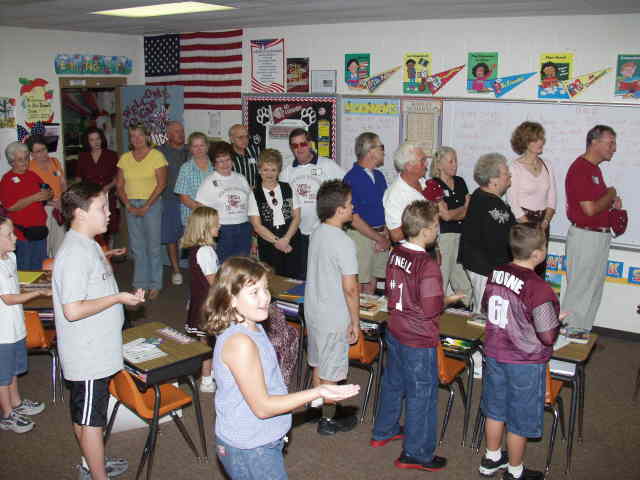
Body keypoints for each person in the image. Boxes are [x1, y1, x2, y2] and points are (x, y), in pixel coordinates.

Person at [203, 256, 359, 480]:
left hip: (257, 441)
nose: (265, 298)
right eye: (254, 292)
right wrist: (319, 392)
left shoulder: (252, 324)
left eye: (265, 288)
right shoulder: (240, 343)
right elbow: (263, 407)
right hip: (252, 448)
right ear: (231, 299)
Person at [53, 182, 145, 480]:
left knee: (86, 413)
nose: (109, 213)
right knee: (92, 420)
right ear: (80, 214)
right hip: (88, 354)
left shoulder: (89, 243)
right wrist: (117, 298)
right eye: (102, 208)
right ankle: (97, 474)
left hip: (97, 347)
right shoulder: (74, 253)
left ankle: (91, 463)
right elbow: (72, 310)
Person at [372, 200, 463, 472]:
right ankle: (417, 452)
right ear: (425, 231)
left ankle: (384, 429)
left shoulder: (396, 252)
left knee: (393, 382)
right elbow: (432, 308)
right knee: (422, 394)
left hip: (396, 329)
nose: (438, 230)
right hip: (418, 338)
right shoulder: (427, 265)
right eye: (436, 226)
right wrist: (449, 299)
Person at [478, 224, 563, 480]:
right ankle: (515, 471)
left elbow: (486, 306)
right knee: (519, 416)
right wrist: (556, 320)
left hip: (495, 353)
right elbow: (547, 335)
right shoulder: (538, 287)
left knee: (495, 408)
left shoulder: (496, 273)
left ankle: (492, 458)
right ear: (537, 254)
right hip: (523, 361)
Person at [304, 180, 360, 435]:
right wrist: (355, 321)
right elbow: (350, 288)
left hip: (314, 309)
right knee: (332, 372)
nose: (353, 207)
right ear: (339, 210)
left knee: (318, 362)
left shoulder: (317, 231)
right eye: (350, 204)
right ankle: (328, 420)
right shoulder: (344, 242)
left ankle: (316, 408)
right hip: (333, 315)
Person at [562, 125, 621, 331]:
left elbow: (597, 206)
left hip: (597, 238)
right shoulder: (580, 169)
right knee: (579, 294)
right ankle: (566, 340)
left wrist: (612, 204)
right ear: (594, 142)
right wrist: (611, 193)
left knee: (593, 293)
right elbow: (589, 209)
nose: (614, 148)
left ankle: (580, 338)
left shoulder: (595, 169)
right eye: (610, 143)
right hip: (585, 237)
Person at [0, 215, 50, 434]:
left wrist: (32, 287)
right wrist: (37, 293)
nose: (15, 238)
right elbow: (9, 298)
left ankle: (16, 403)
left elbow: (14, 286)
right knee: (3, 376)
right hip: (2, 333)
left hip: (15, 327)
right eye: (9, 235)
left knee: (13, 370)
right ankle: (7, 414)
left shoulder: (10, 257)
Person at [279, 129, 345, 279]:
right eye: (295, 145)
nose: (299, 148)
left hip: (323, 232)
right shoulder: (287, 172)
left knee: (324, 274)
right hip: (297, 234)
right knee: (301, 275)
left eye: (302, 144)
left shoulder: (327, 165)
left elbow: (346, 188)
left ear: (310, 144)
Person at [116, 124, 167, 300]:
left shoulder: (157, 156)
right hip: (130, 204)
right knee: (137, 248)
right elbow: (120, 185)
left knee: (153, 247)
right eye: (132, 136)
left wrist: (146, 206)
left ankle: (155, 284)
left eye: (139, 135)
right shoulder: (124, 158)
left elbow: (161, 184)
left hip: (152, 204)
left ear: (147, 136)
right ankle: (140, 284)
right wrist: (128, 205)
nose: (136, 139)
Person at [460, 153, 515, 313]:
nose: (509, 175)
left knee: (484, 309)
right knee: (487, 313)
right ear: (493, 180)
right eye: (505, 173)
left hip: (482, 265)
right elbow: (501, 237)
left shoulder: (482, 196)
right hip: (485, 267)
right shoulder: (490, 203)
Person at [507, 122, 556, 278]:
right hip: (523, 224)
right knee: (521, 269)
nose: (540, 142)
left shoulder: (547, 164)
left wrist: (545, 222)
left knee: (539, 270)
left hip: (543, 223)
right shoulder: (514, 167)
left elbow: (552, 199)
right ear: (525, 142)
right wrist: (531, 229)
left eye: (541, 138)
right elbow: (513, 204)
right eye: (535, 139)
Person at [343, 132, 390, 294]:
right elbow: (353, 218)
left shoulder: (379, 176)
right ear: (370, 151)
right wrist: (378, 238)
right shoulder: (351, 178)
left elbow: (385, 207)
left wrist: (385, 233)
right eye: (381, 147)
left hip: (380, 235)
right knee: (360, 284)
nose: (384, 151)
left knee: (371, 282)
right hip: (361, 237)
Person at [425, 146, 472, 306]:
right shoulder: (432, 184)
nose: (455, 164)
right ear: (439, 164)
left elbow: (465, 211)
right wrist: (463, 208)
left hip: (462, 235)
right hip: (443, 237)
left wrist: (457, 212)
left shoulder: (460, 181)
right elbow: (445, 216)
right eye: (450, 161)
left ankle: (465, 312)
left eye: (456, 161)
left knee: (464, 282)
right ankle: (434, 312)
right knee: (442, 279)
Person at [181, 206, 220, 393]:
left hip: (200, 301)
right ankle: (207, 379)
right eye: (216, 224)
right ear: (205, 227)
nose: (219, 226)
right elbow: (214, 283)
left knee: (205, 342)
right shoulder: (206, 251)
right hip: (209, 304)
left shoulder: (196, 249)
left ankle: (207, 376)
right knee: (209, 344)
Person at [248, 149, 303, 279]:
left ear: (279, 171)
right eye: (265, 170)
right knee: (272, 280)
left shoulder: (288, 188)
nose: (269, 174)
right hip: (268, 242)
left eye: (273, 170)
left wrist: (286, 239)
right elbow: (257, 226)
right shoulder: (253, 194)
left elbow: (296, 217)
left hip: (291, 238)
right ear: (259, 170)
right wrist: (278, 242)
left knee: (293, 278)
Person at [195, 142, 252, 264]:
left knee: (243, 265)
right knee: (223, 266)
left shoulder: (241, 178)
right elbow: (200, 210)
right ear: (214, 164)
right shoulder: (209, 182)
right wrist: (208, 233)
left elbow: (250, 204)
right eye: (220, 161)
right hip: (222, 230)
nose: (225, 164)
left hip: (244, 228)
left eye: (228, 160)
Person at [0, 142, 51, 270]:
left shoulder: (32, 175)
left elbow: (47, 191)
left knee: (41, 268)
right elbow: (9, 206)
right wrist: (35, 197)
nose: (25, 162)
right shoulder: (7, 179)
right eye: (20, 160)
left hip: (40, 231)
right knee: (25, 270)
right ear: (11, 162)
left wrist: (48, 194)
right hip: (22, 235)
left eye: (27, 158)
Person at [157, 121, 189, 286]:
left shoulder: (190, 150)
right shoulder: (159, 152)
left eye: (182, 131)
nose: (181, 134)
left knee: (193, 235)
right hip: (170, 199)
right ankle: (176, 270)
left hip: (190, 200)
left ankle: (196, 268)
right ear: (168, 134)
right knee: (171, 237)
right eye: (176, 131)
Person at [76, 128, 120, 247]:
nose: (95, 142)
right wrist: (79, 195)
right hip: (89, 198)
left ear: (102, 139)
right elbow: (79, 178)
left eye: (98, 139)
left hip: (107, 196)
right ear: (87, 142)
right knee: (91, 228)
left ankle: (108, 253)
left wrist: (108, 187)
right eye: (92, 140)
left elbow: (118, 177)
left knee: (108, 228)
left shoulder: (111, 155)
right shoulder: (83, 156)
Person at [28, 134, 67, 257]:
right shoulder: (29, 168)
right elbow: (31, 194)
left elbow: (63, 184)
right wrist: (52, 203)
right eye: (38, 151)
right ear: (32, 154)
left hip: (59, 209)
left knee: (60, 246)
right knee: (45, 247)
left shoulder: (55, 162)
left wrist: (63, 200)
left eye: (44, 149)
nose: (43, 154)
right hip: (42, 210)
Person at [383, 142, 429, 243]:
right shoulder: (394, 194)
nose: (427, 164)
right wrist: (424, 221)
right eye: (422, 160)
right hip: (411, 250)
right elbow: (395, 235)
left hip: (430, 246)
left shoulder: (424, 183)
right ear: (409, 166)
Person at [174, 131, 215, 228]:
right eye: (195, 146)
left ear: (207, 146)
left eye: (202, 145)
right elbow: (184, 197)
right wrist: (203, 212)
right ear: (190, 148)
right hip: (193, 218)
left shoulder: (215, 166)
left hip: (214, 217)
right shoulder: (186, 168)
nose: (199, 149)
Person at [229, 124, 260, 188]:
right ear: (232, 139)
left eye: (247, 136)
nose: (245, 140)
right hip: (235, 191)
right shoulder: (226, 155)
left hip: (255, 191)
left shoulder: (255, 150)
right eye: (240, 137)